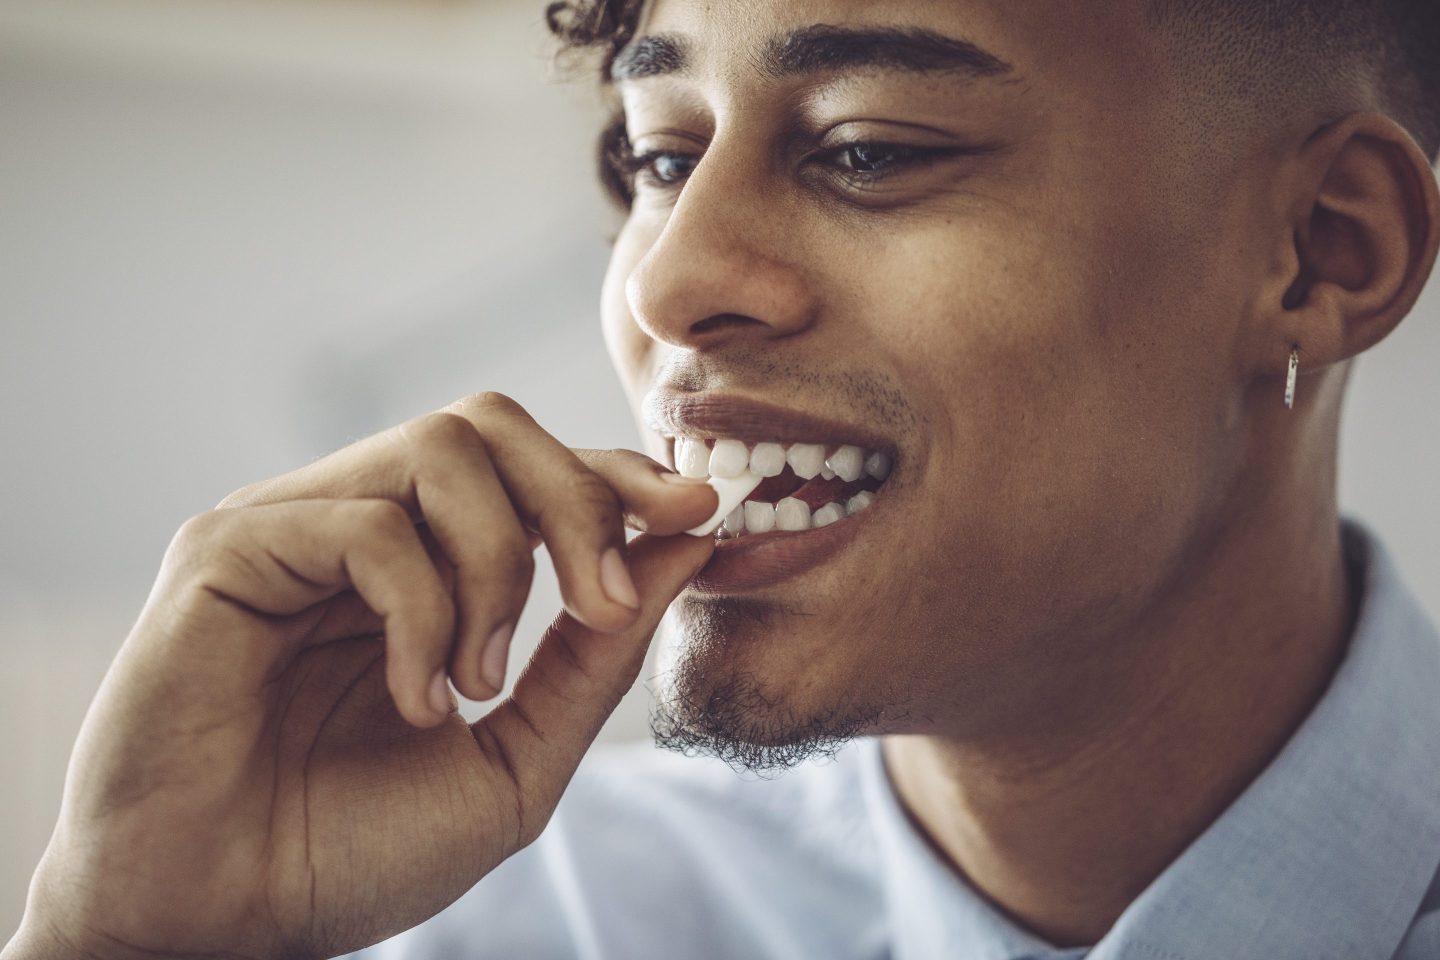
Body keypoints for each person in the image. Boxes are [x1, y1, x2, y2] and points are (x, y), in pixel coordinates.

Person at [6, 0, 1440, 956]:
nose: (671, 280)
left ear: (1323, 252)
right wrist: (121, 945)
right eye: (655, 156)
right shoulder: (529, 920)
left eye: (870, 147)